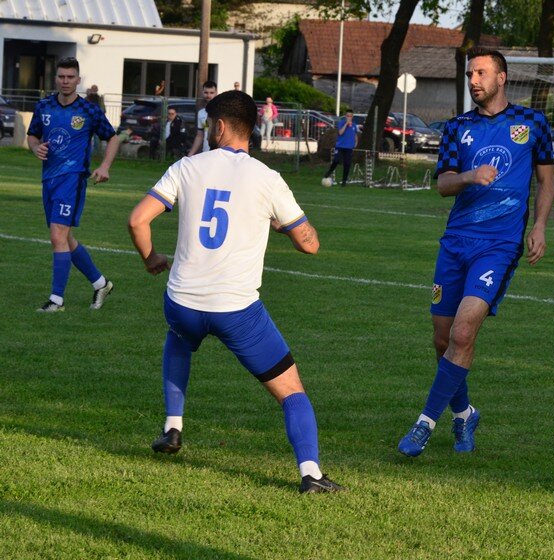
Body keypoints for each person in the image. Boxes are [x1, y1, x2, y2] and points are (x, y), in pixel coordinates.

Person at [127, 90, 345, 493]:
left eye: (210, 124)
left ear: (221, 126)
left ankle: (173, 427)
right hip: (236, 311)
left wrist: (151, 258)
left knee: (178, 337)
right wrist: (283, 226)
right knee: (291, 392)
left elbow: (138, 220)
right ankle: (311, 473)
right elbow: (310, 244)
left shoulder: (186, 167)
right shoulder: (267, 178)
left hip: (183, 302)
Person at [397, 47, 554, 457]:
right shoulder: (457, 127)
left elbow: (546, 180)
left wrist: (539, 226)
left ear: (502, 78)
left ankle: (424, 423)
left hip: (499, 246)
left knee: (463, 333)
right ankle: (465, 414)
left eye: (481, 73)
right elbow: (443, 184)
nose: (473, 80)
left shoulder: (532, 122)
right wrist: (470, 175)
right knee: (442, 339)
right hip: (455, 242)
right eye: (470, 74)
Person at [26, 56, 120, 312]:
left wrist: (105, 166)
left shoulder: (88, 110)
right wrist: (35, 148)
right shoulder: (44, 106)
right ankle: (101, 283)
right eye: (61, 76)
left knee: (57, 235)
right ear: (56, 78)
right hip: (49, 179)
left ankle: (56, 300)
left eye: (70, 77)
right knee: (65, 238)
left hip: (73, 179)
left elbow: (112, 138)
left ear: (78, 80)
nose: (65, 81)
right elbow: (32, 135)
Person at [322, 110, 358, 186]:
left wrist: (355, 142)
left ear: (352, 117)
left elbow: (355, 134)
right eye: (347, 116)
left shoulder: (354, 125)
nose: (349, 117)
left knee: (347, 163)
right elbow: (340, 133)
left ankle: (344, 181)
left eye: (350, 116)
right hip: (340, 146)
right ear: (345, 116)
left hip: (349, 147)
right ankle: (329, 171)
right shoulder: (341, 123)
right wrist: (346, 124)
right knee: (336, 160)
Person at [187, 81, 218, 156]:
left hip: (220, 153)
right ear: (202, 93)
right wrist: (190, 155)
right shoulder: (201, 113)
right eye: (206, 92)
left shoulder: (223, 111)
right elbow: (199, 136)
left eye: (211, 93)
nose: (208, 95)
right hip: (206, 152)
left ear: (216, 93)